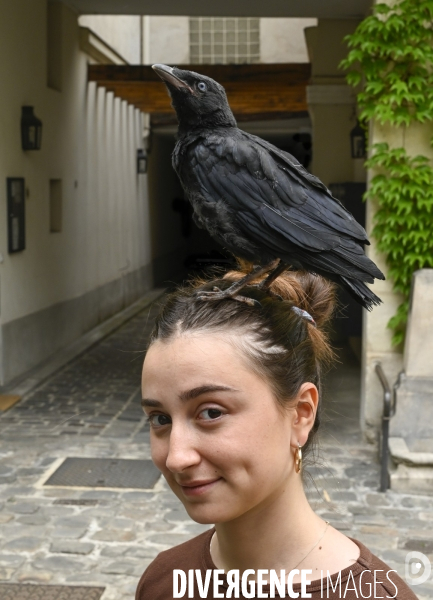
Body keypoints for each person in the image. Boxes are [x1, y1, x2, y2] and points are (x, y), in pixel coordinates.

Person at [136, 268, 418, 600]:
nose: (176, 457)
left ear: (300, 414)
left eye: (211, 412)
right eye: (160, 419)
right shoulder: (163, 583)